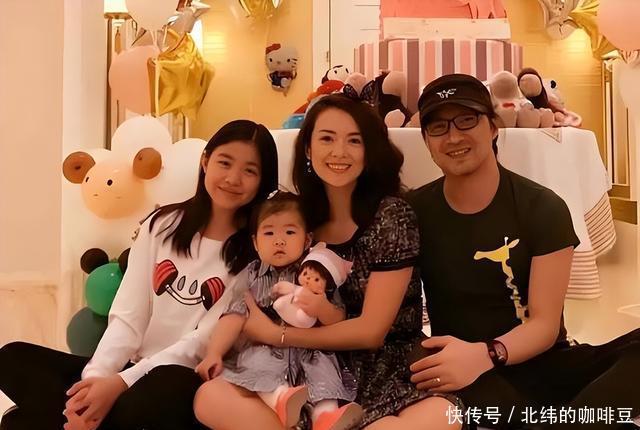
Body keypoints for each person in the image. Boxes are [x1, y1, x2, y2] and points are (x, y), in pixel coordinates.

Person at [193, 94, 463, 430]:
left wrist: (278, 335)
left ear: (369, 150)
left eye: (354, 141)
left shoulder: (391, 214)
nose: (339, 152)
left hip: (387, 367)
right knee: (209, 398)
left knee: (442, 417)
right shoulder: (298, 217)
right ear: (308, 149)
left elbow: (371, 332)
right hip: (307, 367)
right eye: (326, 139)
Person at [0, 119, 279, 430]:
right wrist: (96, 381)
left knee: (164, 386)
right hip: (130, 369)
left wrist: (120, 384)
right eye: (224, 162)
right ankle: (86, 418)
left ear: (262, 181)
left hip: (181, 379)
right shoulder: (162, 224)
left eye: (249, 171)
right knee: (11, 358)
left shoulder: (258, 252)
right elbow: (128, 316)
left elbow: (202, 342)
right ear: (205, 161)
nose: (232, 178)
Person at [407, 73, 640, 429]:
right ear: (426, 140)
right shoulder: (413, 212)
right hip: (467, 376)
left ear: (493, 127)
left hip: (540, 361)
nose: (453, 137)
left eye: (467, 120)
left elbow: (544, 325)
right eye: (438, 127)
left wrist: (487, 353)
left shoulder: (541, 207)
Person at [195, 191, 362, 430]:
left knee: (324, 373)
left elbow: (339, 317)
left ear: (307, 240)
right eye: (269, 233)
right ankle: (280, 398)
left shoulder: (317, 270)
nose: (279, 241)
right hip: (265, 350)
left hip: (311, 350)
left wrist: (321, 307)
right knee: (257, 366)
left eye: (290, 232)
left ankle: (326, 417)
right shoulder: (252, 275)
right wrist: (214, 353)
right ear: (255, 242)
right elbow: (233, 316)